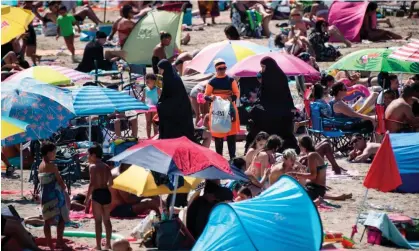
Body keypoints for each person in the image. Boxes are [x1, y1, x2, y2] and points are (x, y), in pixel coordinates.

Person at [246, 57, 299, 153]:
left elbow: (283, 94)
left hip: (275, 111)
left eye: (263, 67)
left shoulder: (274, 77)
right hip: (277, 110)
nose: (262, 69)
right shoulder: (274, 76)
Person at [205, 58, 240, 159]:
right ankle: (219, 158)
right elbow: (205, 95)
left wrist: (232, 97)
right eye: (220, 68)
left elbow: (236, 93)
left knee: (231, 135)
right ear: (216, 69)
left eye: (224, 68)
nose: (222, 70)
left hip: (229, 108)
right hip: (217, 109)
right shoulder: (212, 81)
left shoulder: (231, 80)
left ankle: (232, 158)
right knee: (218, 135)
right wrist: (211, 98)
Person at [38, 142, 70, 250]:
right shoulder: (52, 166)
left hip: (45, 195)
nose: (55, 153)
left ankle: (50, 245)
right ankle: (59, 241)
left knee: (47, 221)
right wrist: (64, 189)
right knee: (62, 218)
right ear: (49, 153)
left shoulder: (41, 165)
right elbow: (60, 181)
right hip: (54, 195)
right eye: (54, 151)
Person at [157, 59, 195, 141]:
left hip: (179, 111)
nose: (159, 71)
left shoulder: (172, 80)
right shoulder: (169, 78)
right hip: (176, 109)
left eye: (160, 69)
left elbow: (175, 99)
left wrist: (161, 105)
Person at [84, 145, 113, 250]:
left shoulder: (92, 167)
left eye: (88, 154)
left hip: (97, 194)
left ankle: (98, 246)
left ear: (94, 155)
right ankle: (108, 244)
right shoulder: (106, 166)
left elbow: (92, 184)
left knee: (98, 221)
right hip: (106, 193)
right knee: (107, 220)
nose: (88, 157)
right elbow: (111, 182)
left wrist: (87, 199)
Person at [293, 136, 327, 201]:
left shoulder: (311, 155)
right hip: (318, 188)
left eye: (299, 146)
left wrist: (296, 174)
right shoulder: (313, 154)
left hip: (316, 190)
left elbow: (313, 176)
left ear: (303, 146)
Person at [142, 73, 161, 138]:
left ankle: (155, 136)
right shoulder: (145, 89)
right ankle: (148, 137)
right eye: (146, 80)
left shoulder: (157, 89)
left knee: (155, 123)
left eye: (149, 80)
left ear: (154, 81)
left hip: (155, 108)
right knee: (148, 122)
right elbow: (143, 99)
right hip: (147, 108)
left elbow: (162, 99)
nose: (147, 81)